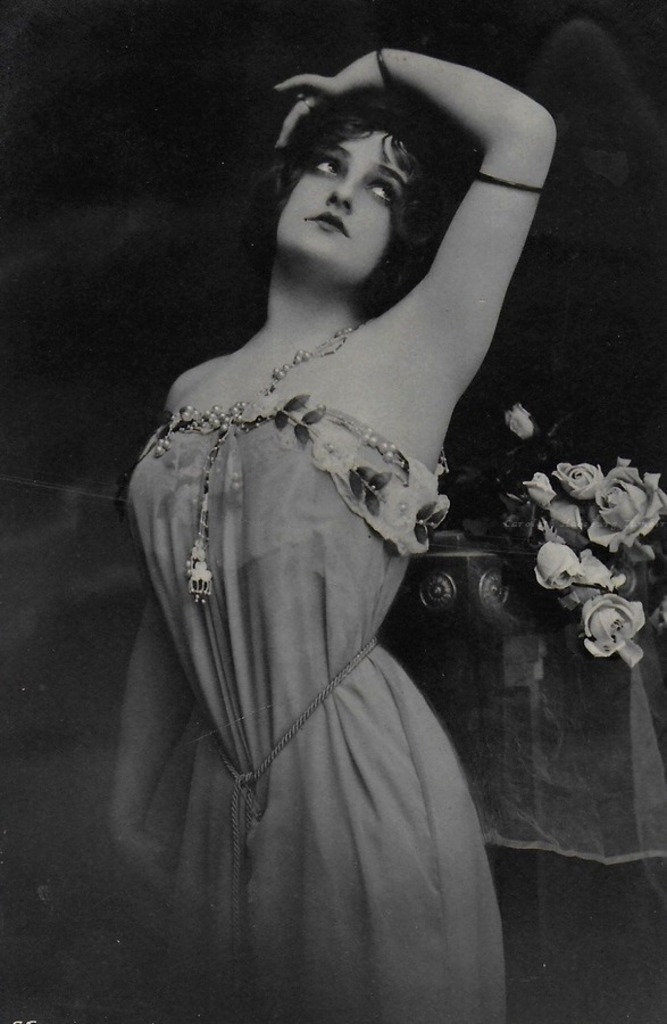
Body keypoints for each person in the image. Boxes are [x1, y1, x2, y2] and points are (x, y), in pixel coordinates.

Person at [111, 49, 555, 1024]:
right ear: (285, 184)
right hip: (210, 778)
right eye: (327, 165)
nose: (346, 193)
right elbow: (171, 603)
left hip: (351, 774)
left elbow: (526, 131)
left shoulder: (418, 347)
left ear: (402, 238)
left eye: (381, 189)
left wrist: (377, 67)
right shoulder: (192, 389)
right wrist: (129, 799)